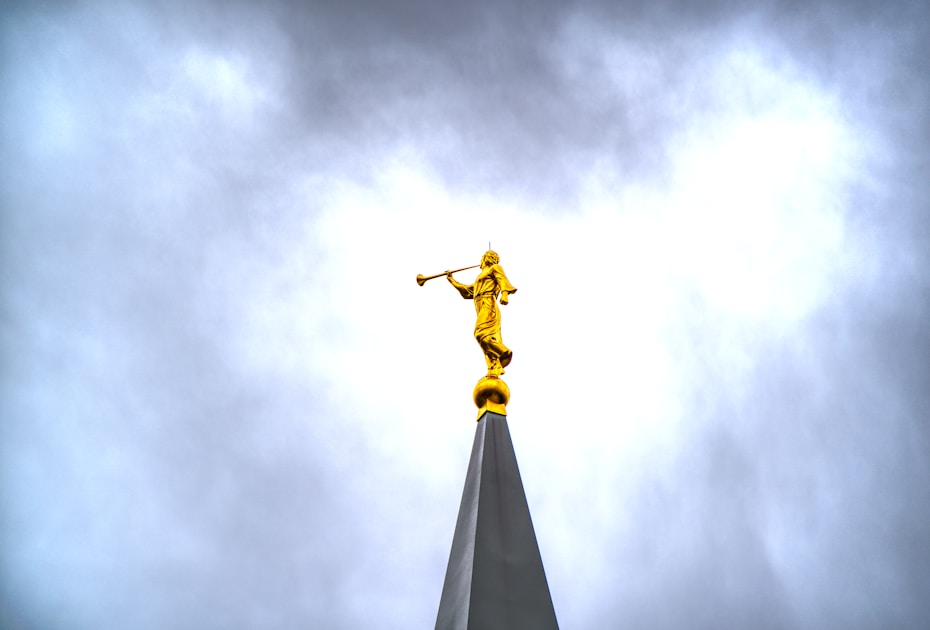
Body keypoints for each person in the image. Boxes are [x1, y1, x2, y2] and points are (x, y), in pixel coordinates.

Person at [446, 250, 517, 377]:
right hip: (479, 305)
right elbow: (468, 290)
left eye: (481, 259)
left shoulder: (494, 268)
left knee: (481, 334)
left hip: (488, 302)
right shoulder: (481, 277)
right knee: (486, 341)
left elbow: (502, 280)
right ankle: (494, 368)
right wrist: (452, 280)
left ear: (486, 259)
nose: (480, 262)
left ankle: (504, 352)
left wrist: (505, 294)